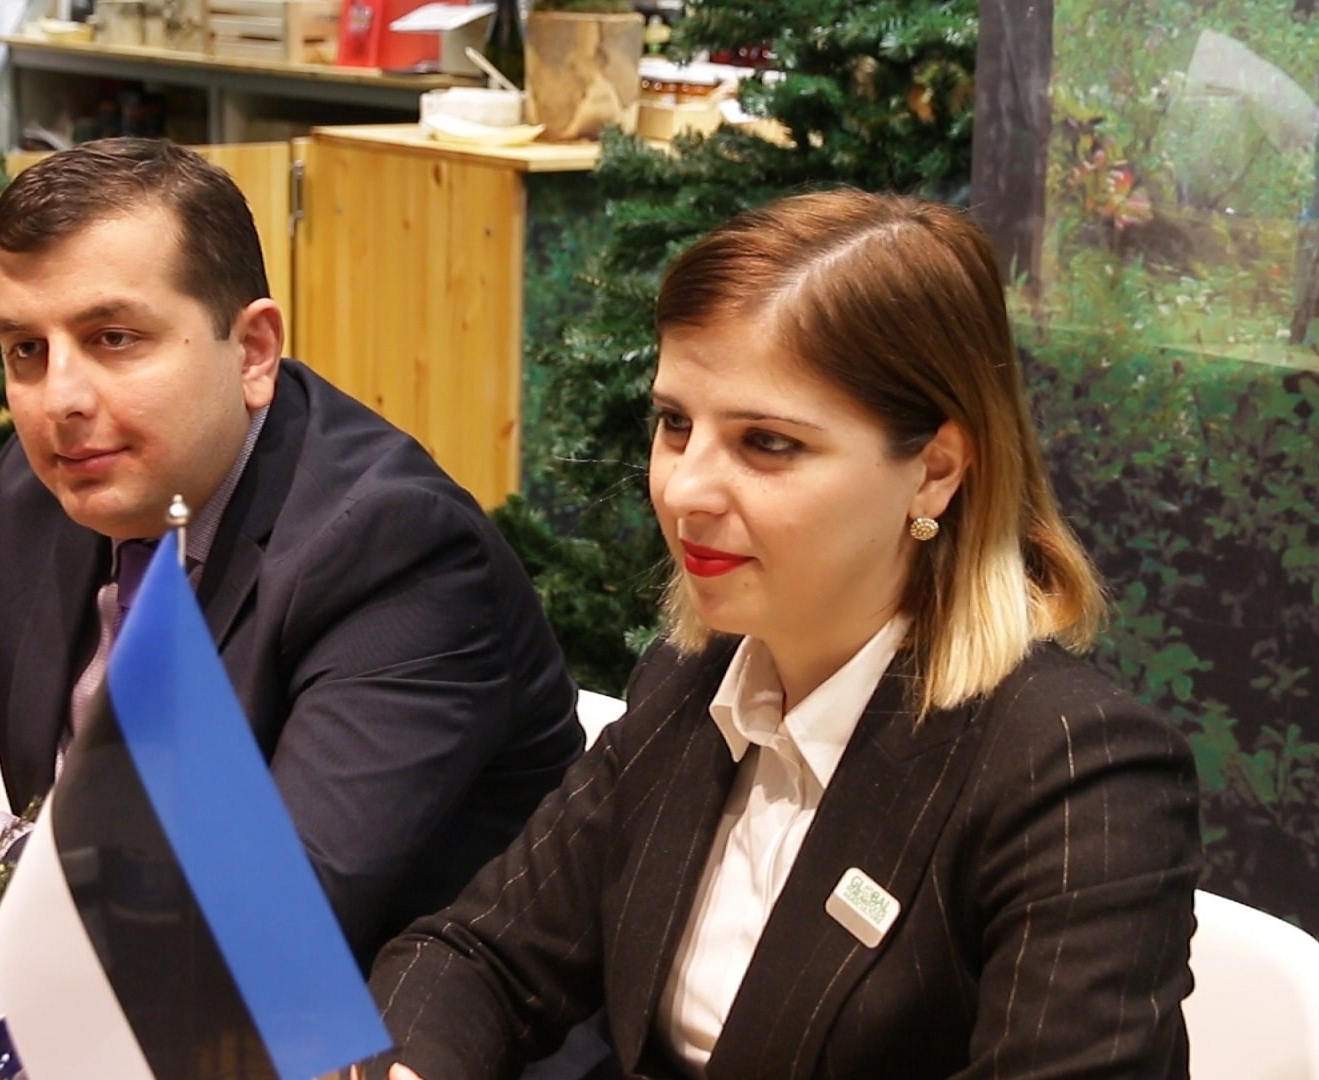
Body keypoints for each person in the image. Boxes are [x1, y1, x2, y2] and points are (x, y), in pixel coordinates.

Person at [365, 190, 1203, 1078]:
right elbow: (476, 957)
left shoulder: (1076, 773)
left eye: (766, 442)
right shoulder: (688, 683)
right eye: (675, 423)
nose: (684, 489)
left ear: (935, 472)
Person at [0, 137, 583, 966]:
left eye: (112, 338)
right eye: (27, 350)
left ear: (252, 352)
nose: (59, 400)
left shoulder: (396, 548)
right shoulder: (48, 494)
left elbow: (263, 917)